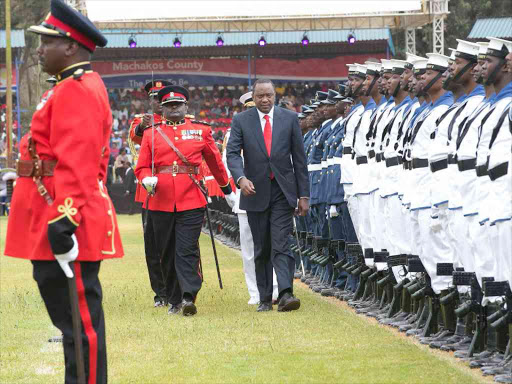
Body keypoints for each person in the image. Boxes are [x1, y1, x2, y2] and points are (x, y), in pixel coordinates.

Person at [4, 0, 124, 382]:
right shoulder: (67, 87)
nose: (39, 50)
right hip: (53, 210)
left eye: (47, 42)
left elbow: (80, 161)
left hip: (67, 217)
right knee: (69, 320)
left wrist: (65, 217)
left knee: (80, 323)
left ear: (71, 45)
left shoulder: (78, 89)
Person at [135, 85, 236, 316]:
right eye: (168, 106)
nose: (173, 109)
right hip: (160, 198)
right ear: (162, 108)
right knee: (166, 250)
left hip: (191, 197)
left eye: (177, 105)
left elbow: (215, 163)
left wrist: (227, 190)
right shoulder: (151, 133)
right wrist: (146, 179)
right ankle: (173, 298)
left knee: (186, 248)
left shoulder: (201, 131)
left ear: (186, 106)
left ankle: (189, 295)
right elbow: (141, 167)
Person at [226, 78, 310, 312]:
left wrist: (304, 195)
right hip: (254, 191)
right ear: (253, 97)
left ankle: (285, 293)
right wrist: (240, 179)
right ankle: (264, 298)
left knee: (281, 243)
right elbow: (233, 153)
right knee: (261, 246)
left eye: (269, 95)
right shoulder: (241, 120)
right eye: (260, 95)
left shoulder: (290, 118)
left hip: (283, 192)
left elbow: (300, 159)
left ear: (275, 96)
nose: (265, 99)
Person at [129, 79, 172, 307]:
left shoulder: (180, 119)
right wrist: (142, 127)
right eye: (153, 98)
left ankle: (180, 285)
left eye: (160, 97)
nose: (157, 102)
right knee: (153, 244)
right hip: (149, 190)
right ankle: (161, 292)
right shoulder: (143, 122)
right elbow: (134, 137)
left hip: (176, 188)